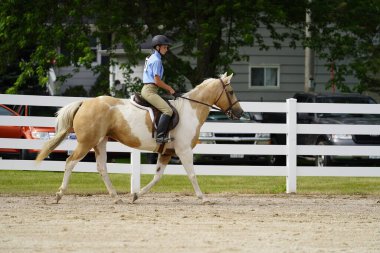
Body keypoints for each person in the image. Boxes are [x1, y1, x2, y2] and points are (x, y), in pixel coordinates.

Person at [142, 35, 176, 144]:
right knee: (168, 110)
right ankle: (160, 137)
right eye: (165, 47)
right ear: (157, 47)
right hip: (150, 90)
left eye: (167, 47)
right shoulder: (157, 60)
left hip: (151, 89)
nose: (167, 49)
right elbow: (157, 81)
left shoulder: (152, 57)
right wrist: (169, 88)